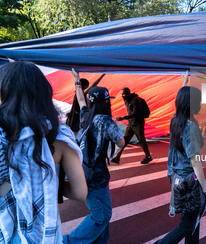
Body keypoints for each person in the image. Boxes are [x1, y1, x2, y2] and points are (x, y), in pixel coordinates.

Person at [0, 61, 87, 244]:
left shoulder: (3, 139)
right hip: (45, 233)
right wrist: (47, 181)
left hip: (6, 230)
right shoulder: (59, 136)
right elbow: (80, 192)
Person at [63, 69, 124, 244]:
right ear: (106, 102)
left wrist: (77, 81)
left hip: (84, 172)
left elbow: (81, 100)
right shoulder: (105, 120)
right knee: (102, 216)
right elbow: (120, 143)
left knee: (103, 213)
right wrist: (116, 127)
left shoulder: (86, 116)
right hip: (96, 177)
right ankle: (68, 241)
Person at [155, 86, 206, 244]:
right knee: (187, 223)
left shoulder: (176, 120)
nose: (200, 103)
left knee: (193, 220)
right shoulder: (190, 127)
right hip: (189, 180)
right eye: (198, 100)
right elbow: (195, 161)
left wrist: (185, 82)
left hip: (177, 176)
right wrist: (205, 188)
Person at [111, 87, 152, 164]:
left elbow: (135, 113)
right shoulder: (126, 99)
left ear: (128, 93)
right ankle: (117, 157)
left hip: (138, 123)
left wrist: (124, 117)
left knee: (141, 140)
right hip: (130, 123)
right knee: (124, 140)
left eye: (124, 93)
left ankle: (148, 156)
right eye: (121, 94)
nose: (122, 95)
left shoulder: (136, 100)